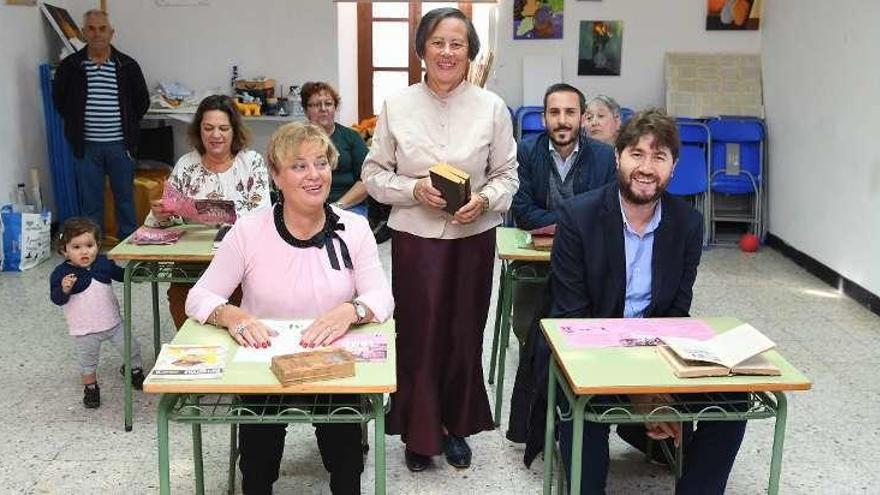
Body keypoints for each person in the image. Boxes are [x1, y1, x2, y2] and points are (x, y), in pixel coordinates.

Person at [185, 122, 393, 494]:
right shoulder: (248, 231)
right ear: (276, 177)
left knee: (346, 460)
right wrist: (232, 315)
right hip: (264, 364)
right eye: (299, 166)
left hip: (329, 362)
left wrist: (351, 311)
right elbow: (199, 297)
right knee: (257, 464)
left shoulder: (354, 228)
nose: (314, 175)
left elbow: (382, 298)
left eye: (321, 163)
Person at [548, 109, 746, 494]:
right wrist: (643, 396)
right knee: (584, 449)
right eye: (637, 154)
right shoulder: (578, 216)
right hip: (586, 358)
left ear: (673, 167)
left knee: (734, 397)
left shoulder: (687, 223)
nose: (646, 167)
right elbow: (574, 320)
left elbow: (675, 313)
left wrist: (661, 389)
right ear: (618, 156)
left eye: (659, 157)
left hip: (653, 354)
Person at [361, 7, 519, 472]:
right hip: (416, 237)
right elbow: (372, 175)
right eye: (438, 43)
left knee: (463, 332)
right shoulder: (397, 105)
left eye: (457, 43)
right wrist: (413, 190)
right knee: (419, 333)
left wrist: (486, 199)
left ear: (469, 50)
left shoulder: (492, 107)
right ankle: (417, 430)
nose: (448, 52)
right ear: (421, 51)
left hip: (474, 236)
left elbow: (508, 175)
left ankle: (454, 427)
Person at [505, 83, 616, 440]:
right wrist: (574, 221)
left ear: (583, 118)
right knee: (528, 329)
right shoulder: (525, 151)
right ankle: (539, 406)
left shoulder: (603, 156)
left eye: (570, 112)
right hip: (535, 258)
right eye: (555, 113)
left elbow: (607, 210)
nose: (562, 120)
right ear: (544, 118)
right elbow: (521, 211)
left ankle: (580, 402)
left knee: (587, 332)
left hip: (589, 262)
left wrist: (560, 222)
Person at [146, 94, 271, 329]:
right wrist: (161, 214)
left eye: (223, 128)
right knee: (182, 298)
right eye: (208, 128)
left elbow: (259, 212)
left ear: (234, 131)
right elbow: (160, 220)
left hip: (241, 258)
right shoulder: (186, 164)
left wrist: (201, 211)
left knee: (238, 304)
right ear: (199, 130)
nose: (216, 135)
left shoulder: (251, 162)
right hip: (191, 260)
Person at [52, 9, 149, 241]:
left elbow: (141, 102)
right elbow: (60, 101)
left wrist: (127, 130)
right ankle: (91, 247)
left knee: (125, 199)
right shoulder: (71, 67)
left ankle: (127, 245)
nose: (97, 34)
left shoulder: (127, 65)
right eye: (92, 29)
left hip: (120, 146)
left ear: (111, 33)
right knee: (91, 201)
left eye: (102, 28)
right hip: (86, 148)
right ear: (84, 32)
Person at [49, 217, 145, 409]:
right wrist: (64, 289)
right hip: (84, 330)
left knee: (131, 348)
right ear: (64, 250)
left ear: (98, 245)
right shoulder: (60, 274)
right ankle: (91, 388)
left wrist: (137, 273)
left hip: (113, 323)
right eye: (76, 247)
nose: (84, 251)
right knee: (88, 362)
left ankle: (134, 371)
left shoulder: (103, 263)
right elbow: (57, 299)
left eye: (90, 245)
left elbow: (121, 275)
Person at [301, 81, 371, 216]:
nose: (323, 109)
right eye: (316, 105)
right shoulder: (296, 140)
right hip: (306, 207)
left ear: (335, 107)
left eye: (328, 104)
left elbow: (367, 179)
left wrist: (337, 207)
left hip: (347, 206)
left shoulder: (351, 137)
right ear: (305, 110)